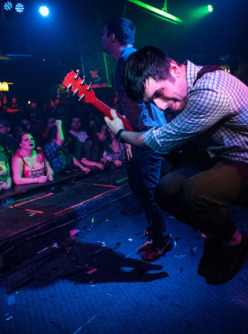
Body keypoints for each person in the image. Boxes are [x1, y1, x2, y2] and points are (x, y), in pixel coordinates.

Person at [105, 46, 248, 284]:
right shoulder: (186, 89)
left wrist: (121, 134)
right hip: (220, 155)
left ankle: (235, 242)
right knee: (164, 190)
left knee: (194, 194)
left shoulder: (210, 90)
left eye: (159, 93)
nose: (160, 105)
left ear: (173, 69)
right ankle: (215, 233)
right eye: (152, 100)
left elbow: (161, 140)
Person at [102, 17, 173, 262]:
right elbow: (127, 103)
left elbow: (141, 102)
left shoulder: (127, 61)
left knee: (149, 190)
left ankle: (163, 240)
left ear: (112, 36)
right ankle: (156, 235)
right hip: (141, 133)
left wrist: (132, 139)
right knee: (140, 187)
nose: (101, 39)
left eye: (103, 34)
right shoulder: (128, 59)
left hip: (147, 134)